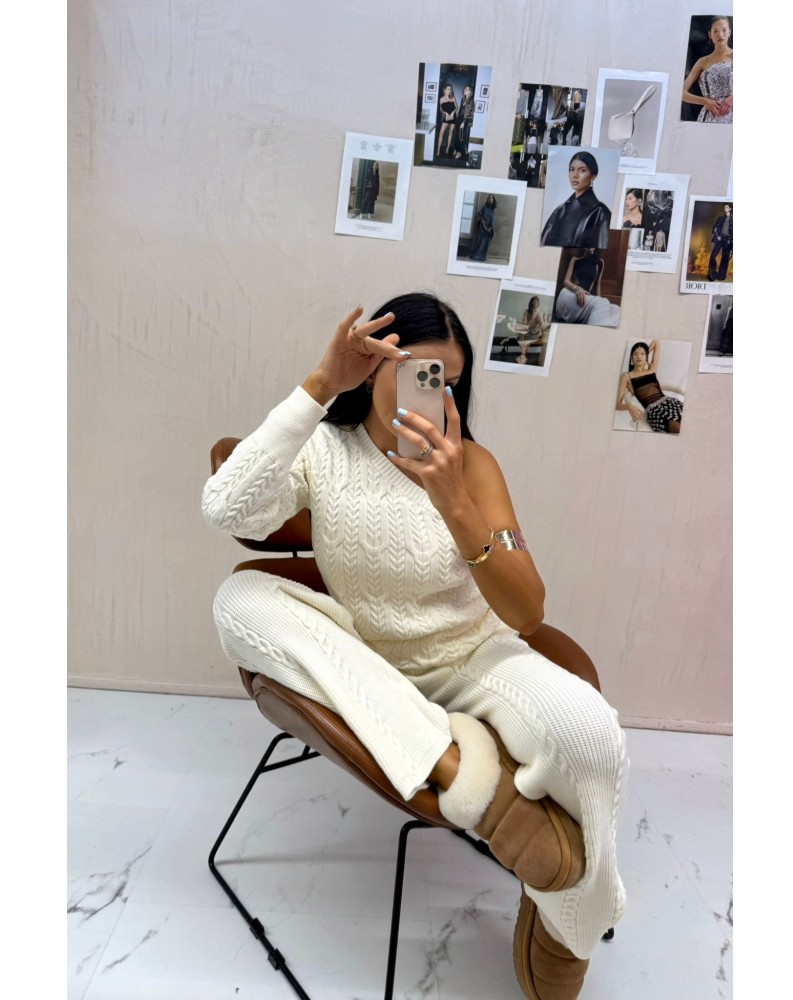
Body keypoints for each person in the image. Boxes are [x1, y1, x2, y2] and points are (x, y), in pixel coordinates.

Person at [203, 294, 628, 999]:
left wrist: (454, 499)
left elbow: (528, 610)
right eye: (417, 372)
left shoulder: (474, 466)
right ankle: (478, 785)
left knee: (594, 738)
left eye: (448, 382)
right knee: (239, 600)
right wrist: (320, 383)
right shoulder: (324, 450)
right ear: (373, 367)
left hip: (474, 661)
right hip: (367, 665)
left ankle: (567, 917)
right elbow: (225, 508)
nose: (433, 393)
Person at [541, 151, 611, 248]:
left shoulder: (600, 212)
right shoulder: (560, 210)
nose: (575, 175)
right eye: (572, 169)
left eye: (582, 170)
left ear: (592, 176)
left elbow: (602, 251)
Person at [616, 339, 683, 433]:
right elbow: (617, 405)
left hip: (670, 403)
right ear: (631, 358)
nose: (639, 356)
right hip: (655, 412)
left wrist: (646, 354)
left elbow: (656, 342)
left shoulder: (651, 369)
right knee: (678, 428)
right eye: (635, 354)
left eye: (642, 354)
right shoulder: (626, 376)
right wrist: (629, 406)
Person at [682, 16, 733, 123]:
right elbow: (682, 93)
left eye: (724, 30)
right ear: (710, 35)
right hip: (709, 117)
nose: (720, 35)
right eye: (716, 31)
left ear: (729, 32)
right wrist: (705, 101)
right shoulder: (703, 61)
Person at [554, 249, 620, 327]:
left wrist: (598, 299)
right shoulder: (575, 259)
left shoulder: (600, 262)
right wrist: (577, 289)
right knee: (603, 302)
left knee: (616, 309)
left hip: (586, 297)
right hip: (570, 294)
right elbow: (566, 281)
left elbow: (598, 285)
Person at [501, 296, 546, 362]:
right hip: (526, 330)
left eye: (536, 301)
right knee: (521, 336)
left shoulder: (539, 313)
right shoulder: (527, 311)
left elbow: (541, 323)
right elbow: (524, 322)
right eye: (533, 301)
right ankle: (523, 356)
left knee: (525, 340)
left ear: (538, 303)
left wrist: (543, 330)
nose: (535, 303)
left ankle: (522, 356)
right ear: (531, 303)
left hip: (534, 332)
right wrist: (522, 327)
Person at [708, 203, 733, 281]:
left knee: (725, 259)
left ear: (730, 209)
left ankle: (721, 276)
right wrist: (717, 235)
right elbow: (714, 228)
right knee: (713, 256)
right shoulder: (721, 218)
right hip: (719, 239)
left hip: (728, 240)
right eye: (724, 207)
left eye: (726, 207)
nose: (725, 209)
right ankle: (712, 275)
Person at [469, 194, 496, 261]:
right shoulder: (484, 207)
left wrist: (489, 228)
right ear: (487, 199)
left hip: (489, 230)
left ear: (493, 200)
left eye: (491, 198)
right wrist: (483, 224)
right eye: (489, 198)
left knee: (486, 244)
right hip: (482, 228)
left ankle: (482, 256)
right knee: (480, 242)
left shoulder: (493, 210)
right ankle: (476, 255)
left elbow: (492, 221)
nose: (490, 199)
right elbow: (479, 215)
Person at [454, 86, 475, 161]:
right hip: (459, 118)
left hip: (465, 120)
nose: (464, 90)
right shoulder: (462, 99)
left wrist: (463, 122)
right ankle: (456, 149)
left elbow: (469, 113)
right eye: (464, 89)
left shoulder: (471, 101)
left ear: (470, 92)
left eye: (466, 89)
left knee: (461, 136)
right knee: (456, 135)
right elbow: (460, 110)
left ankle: (459, 152)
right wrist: (458, 118)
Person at [437, 85, 458, 157]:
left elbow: (456, 108)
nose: (449, 90)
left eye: (450, 89)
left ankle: (447, 148)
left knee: (451, 132)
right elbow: (440, 109)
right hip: (446, 117)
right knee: (441, 133)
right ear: (444, 90)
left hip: (453, 116)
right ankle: (438, 150)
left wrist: (453, 113)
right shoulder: (441, 99)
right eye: (448, 89)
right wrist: (445, 113)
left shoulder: (453, 98)